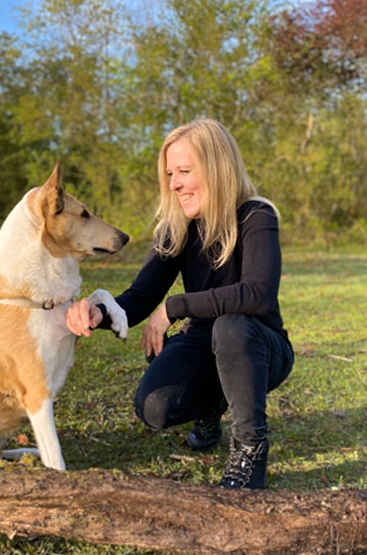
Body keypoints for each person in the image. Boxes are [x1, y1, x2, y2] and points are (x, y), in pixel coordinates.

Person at [65, 118, 294, 489]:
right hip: (204, 343)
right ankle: (211, 407)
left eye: (185, 171)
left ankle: (250, 449)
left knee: (231, 327)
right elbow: (140, 298)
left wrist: (175, 307)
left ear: (217, 167)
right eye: (171, 173)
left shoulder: (256, 215)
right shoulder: (177, 228)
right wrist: (100, 311)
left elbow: (258, 295)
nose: (174, 184)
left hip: (260, 346)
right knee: (154, 407)